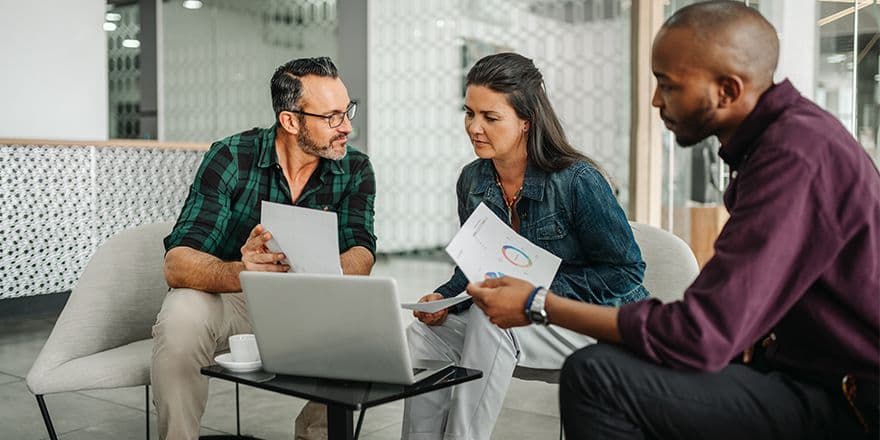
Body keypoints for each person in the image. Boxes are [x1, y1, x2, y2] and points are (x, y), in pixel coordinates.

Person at [467, 2, 880, 439]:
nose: (655, 100)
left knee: (597, 377)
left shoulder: (795, 156)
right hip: (796, 370)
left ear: (727, 90)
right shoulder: (780, 144)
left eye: (668, 85)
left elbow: (701, 333)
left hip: (849, 399)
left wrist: (539, 303)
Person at [402, 52, 649, 440]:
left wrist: (534, 294)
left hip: (591, 321)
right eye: (469, 113)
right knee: (423, 338)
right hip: (527, 321)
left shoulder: (577, 180)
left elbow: (626, 272)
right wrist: (444, 297)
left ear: (525, 122)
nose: (474, 127)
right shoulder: (472, 181)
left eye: (490, 117)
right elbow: (475, 265)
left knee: (491, 318)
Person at [152, 57, 376, 440]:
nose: (347, 127)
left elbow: (363, 249)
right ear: (291, 121)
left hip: (310, 300)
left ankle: (316, 435)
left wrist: (324, 274)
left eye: (347, 110)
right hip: (235, 297)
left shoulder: (355, 168)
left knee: (370, 325)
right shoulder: (230, 157)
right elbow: (178, 264)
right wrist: (242, 270)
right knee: (180, 318)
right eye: (333, 117)